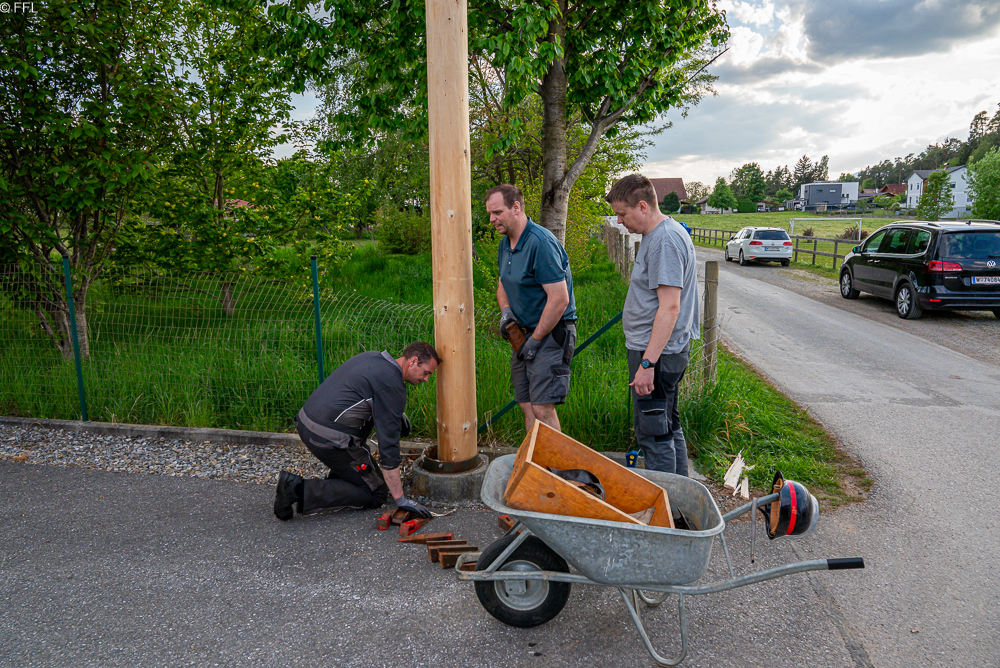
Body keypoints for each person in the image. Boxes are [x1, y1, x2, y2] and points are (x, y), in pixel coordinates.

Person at [273, 342, 441, 521]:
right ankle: (297, 489)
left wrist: (397, 413)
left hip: (307, 423)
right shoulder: (391, 387)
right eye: (426, 373)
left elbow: (368, 391)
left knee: (362, 468)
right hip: (328, 438)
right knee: (376, 492)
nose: (426, 379)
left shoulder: (374, 357)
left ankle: (345, 475)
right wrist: (401, 499)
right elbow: (388, 449)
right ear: (413, 361)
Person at [606, 174, 699, 475]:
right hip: (662, 351)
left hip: (657, 353)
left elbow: (670, 307)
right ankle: (682, 496)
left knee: (654, 434)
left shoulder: (664, 241)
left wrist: (647, 364)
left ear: (643, 206)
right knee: (667, 424)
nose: (619, 221)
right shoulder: (660, 233)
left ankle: (665, 501)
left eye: (623, 213)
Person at [486, 184, 578, 434]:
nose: (492, 219)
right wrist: (506, 312)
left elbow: (559, 299)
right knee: (526, 405)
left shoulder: (541, 242)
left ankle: (557, 460)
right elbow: (502, 284)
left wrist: (535, 341)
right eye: (490, 213)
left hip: (550, 333)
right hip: (522, 335)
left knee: (542, 407)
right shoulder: (505, 244)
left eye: (497, 212)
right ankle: (535, 457)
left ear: (516, 207)